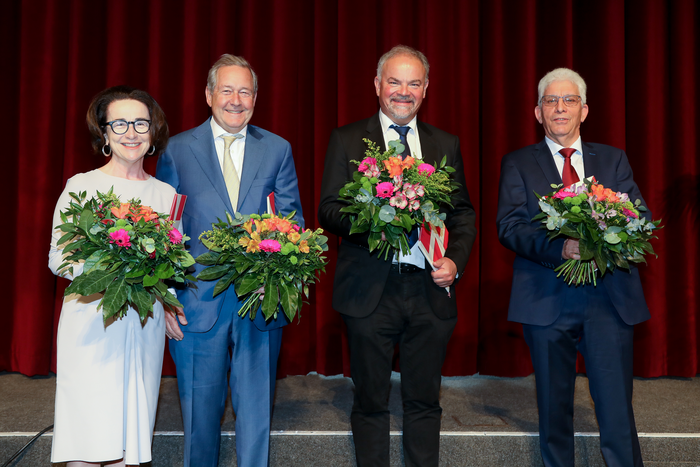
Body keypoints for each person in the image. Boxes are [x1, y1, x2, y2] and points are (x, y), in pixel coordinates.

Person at [318, 45, 477, 466]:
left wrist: (455, 262)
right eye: (394, 81)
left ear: (425, 89)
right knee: (370, 402)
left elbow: (462, 214)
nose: (402, 92)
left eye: (413, 83)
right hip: (370, 289)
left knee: (424, 401)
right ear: (377, 85)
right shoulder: (348, 139)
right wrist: (378, 217)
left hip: (428, 288)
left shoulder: (445, 143)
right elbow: (329, 210)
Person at [155, 54, 303, 467]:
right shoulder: (177, 150)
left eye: (245, 91)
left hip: (260, 301)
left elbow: (293, 222)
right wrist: (166, 297)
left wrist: (277, 281)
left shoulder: (277, 149)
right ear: (208, 95)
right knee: (199, 419)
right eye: (227, 90)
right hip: (196, 304)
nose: (235, 100)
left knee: (256, 415)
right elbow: (164, 230)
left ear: (255, 97)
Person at [496, 68, 649, 467]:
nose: (560, 108)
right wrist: (560, 247)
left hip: (609, 300)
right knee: (553, 409)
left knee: (617, 410)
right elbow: (509, 227)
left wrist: (609, 235)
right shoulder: (517, 163)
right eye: (551, 101)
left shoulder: (613, 159)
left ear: (584, 110)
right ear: (537, 112)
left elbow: (640, 219)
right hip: (546, 300)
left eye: (569, 101)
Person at [49, 86, 174, 466]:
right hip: (92, 322)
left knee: (129, 441)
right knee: (87, 437)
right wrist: (115, 268)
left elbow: (170, 265)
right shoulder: (81, 186)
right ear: (103, 133)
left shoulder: (166, 195)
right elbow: (59, 258)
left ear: (153, 133)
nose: (131, 132)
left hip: (142, 324)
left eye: (141, 123)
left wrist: (167, 301)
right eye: (119, 123)